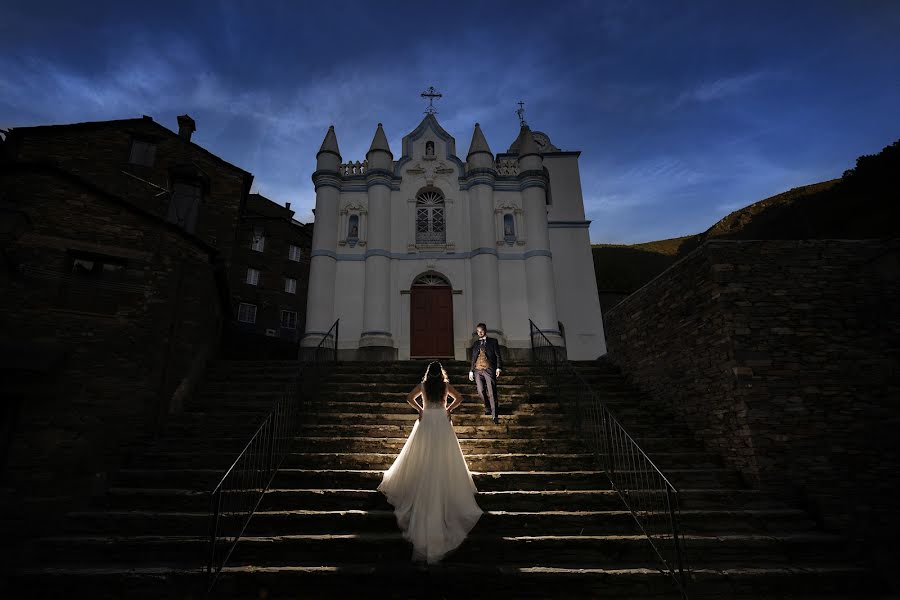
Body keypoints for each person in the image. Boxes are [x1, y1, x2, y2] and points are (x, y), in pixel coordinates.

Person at [377, 361, 483, 564]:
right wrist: (449, 409)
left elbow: (409, 398)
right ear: (440, 373)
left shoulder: (423, 386)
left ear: (428, 373)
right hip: (441, 420)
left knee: (422, 453)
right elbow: (459, 398)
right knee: (443, 454)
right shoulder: (445, 386)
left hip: (427, 421)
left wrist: (420, 409)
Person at [468, 323, 503, 424]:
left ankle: (494, 415)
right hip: (478, 370)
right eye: (478, 331)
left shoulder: (493, 341)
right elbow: (473, 358)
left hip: (489, 369)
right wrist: (471, 370)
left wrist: (498, 368)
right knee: (480, 390)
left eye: (481, 331)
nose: (480, 333)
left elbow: (498, 356)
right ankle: (487, 406)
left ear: (485, 330)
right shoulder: (475, 344)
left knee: (492, 392)